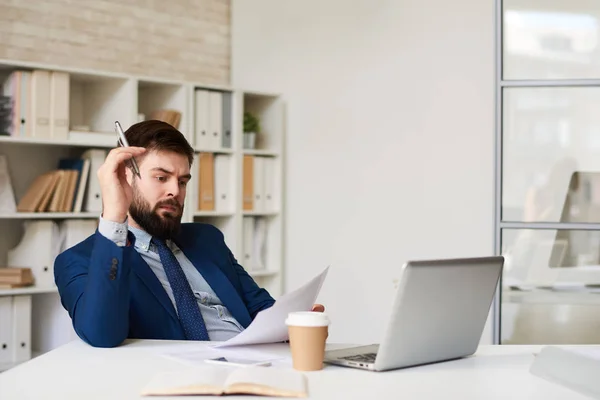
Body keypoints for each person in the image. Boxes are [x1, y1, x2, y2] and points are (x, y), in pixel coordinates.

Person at [54, 120, 323, 348]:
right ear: (126, 177)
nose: (175, 191)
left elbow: (260, 309)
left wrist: (293, 325)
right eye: (161, 178)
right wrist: (114, 214)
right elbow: (101, 335)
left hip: (256, 367)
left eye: (182, 181)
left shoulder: (206, 239)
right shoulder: (78, 261)